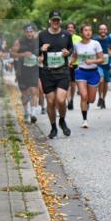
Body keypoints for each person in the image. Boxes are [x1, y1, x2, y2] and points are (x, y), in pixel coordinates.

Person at [38, 11, 74, 139]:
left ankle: (62, 120)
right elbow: (35, 51)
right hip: (47, 73)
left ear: (60, 21)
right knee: (51, 101)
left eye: (58, 20)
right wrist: (41, 50)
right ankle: (53, 127)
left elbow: (71, 49)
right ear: (49, 21)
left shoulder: (66, 34)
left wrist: (67, 53)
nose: (56, 22)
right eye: (53, 20)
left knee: (60, 99)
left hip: (62, 71)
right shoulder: (42, 35)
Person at [71, 23, 105, 128]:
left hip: (93, 73)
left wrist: (92, 61)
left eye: (89, 30)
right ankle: (84, 120)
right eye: (85, 30)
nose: (88, 32)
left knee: (91, 99)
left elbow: (102, 59)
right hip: (81, 72)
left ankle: (86, 105)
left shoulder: (96, 44)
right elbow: (74, 56)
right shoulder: (76, 45)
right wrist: (71, 62)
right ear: (81, 33)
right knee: (84, 96)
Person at [11, 24, 42, 123]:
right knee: (24, 94)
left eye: (31, 31)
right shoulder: (19, 42)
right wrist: (22, 54)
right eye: (27, 32)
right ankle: (26, 112)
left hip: (34, 70)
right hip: (22, 71)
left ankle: (33, 114)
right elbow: (12, 53)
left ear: (34, 32)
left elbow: (43, 54)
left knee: (33, 91)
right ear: (24, 32)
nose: (29, 33)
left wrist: (41, 58)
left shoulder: (38, 42)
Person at [95, 23, 111, 110]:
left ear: (106, 30)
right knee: (101, 80)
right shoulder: (95, 40)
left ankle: (103, 99)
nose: (103, 31)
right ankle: (100, 97)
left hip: (107, 64)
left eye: (104, 29)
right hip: (98, 64)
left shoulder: (110, 39)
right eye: (101, 29)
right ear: (99, 30)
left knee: (106, 82)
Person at [65, 21, 80, 110]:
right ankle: (68, 100)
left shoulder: (78, 38)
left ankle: (72, 100)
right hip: (65, 64)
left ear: (74, 29)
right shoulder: (63, 37)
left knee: (73, 84)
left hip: (75, 64)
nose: (70, 29)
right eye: (68, 27)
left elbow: (80, 50)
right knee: (67, 84)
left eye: (72, 27)